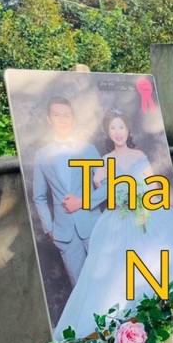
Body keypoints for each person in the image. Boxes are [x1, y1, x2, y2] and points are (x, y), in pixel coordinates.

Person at [53, 109, 173, 341]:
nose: (118, 132)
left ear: (127, 130)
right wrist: (117, 194)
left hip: (147, 212)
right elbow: (102, 190)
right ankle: (124, 328)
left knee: (156, 261)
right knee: (117, 273)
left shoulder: (139, 155)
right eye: (113, 128)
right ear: (108, 133)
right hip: (119, 219)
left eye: (121, 127)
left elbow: (152, 185)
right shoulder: (105, 161)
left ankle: (164, 319)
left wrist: (143, 199)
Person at [32, 97, 108, 286]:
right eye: (57, 115)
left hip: (93, 228)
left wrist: (82, 202)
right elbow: (39, 197)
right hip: (65, 235)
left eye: (67, 115)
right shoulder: (41, 155)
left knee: (106, 283)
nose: (62, 120)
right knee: (80, 288)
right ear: (49, 120)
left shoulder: (88, 150)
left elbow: (109, 186)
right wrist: (50, 229)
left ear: (73, 120)